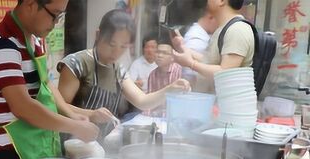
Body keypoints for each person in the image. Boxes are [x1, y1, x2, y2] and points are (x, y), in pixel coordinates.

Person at [0, 0, 101, 159]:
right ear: (30, 5)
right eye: (54, 14)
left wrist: (72, 115)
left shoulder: (35, 39)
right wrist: (75, 127)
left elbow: (46, 84)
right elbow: (22, 107)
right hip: (13, 153)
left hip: (41, 144)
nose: (57, 22)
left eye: (61, 15)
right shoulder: (2, 44)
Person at [57, 10, 190, 123]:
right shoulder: (77, 64)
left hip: (101, 145)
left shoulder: (118, 70)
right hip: (71, 144)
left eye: (123, 46)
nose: (116, 52)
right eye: (111, 44)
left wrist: (170, 89)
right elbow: (59, 108)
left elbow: (142, 101)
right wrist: (90, 114)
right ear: (98, 35)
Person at [172, 0, 254, 84]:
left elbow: (225, 73)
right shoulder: (223, 28)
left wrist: (191, 64)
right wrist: (183, 48)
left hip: (228, 97)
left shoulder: (237, 29)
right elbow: (211, 61)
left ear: (221, 1)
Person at [144, 38, 183, 116]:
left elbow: (176, 99)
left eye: (164, 53)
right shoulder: (152, 74)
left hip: (175, 114)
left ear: (172, 57)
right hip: (157, 115)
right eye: (158, 52)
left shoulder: (178, 70)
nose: (160, 55)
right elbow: (150, 100)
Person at [181, 10, 218, 84]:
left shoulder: (201, 34)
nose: (218, 25)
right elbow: (190, 74)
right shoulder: (196, 37)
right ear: (211, 17)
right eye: (218, 20)